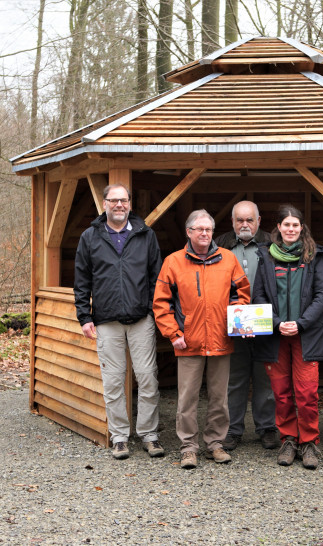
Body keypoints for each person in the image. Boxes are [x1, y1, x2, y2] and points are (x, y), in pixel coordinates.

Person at [153, 210, 250, 470]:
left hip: (221, 339)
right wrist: (173, 334)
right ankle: (188, 448)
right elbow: (160, 303)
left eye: (208, 229)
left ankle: (215, 444)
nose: (205, 233)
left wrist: (235, 320)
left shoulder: (228, 259)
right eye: (199, 229)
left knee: (219, 397)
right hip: (189, 341)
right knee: (187, 398)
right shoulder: (173, 262)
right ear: (189, 232)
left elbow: (243, 293)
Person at [74, 184, 163, 460]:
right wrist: (84, 316)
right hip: (106, 320)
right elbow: (81, 280)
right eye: (113, 200)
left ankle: (149, 434)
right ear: (104, 204)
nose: (119, 205)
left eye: (123, 200)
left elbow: (156, 277)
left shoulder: (146, 235)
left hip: (140, 319)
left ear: (129, 203)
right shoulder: (90, 237)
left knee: (147, 377)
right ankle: (120, 437)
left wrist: (151, 311)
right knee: (113, 381)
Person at [252, 205, 323, 469]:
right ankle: (288, 439)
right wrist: (276, 323)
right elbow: (259, 295)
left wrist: (301, 323)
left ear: (302, 228)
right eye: (287, 225)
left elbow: (322, 296)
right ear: (279, 228)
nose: (291, 229)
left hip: (306, 335)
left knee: (307, 393)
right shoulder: (266, 256)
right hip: (275, 336)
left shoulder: (315, 256)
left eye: (296, 225)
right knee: (281, 393)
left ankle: (309, 442)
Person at [214, 201, 278, 452]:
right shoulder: (219, 244)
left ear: (259, 220)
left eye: (249, 220)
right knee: (235, 379)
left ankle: (267, 428)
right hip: (233, 322)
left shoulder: (272, 244)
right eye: (239, 220)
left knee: (266, 378)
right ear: (232, 222)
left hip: (265, 321)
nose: (244, 225)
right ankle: (232, 429)